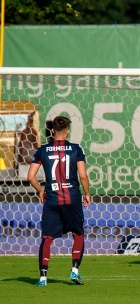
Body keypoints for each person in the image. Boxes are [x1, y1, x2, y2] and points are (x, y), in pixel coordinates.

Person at [28, 116, 91, 286]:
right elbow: (83, 175)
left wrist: (41, 190)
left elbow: (30, 177)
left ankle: (42, 278)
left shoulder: (42, 150)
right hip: (72, 198)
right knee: (78, 233)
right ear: (68, 130)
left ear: (52, 131)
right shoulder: (76, 149)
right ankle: (75, 271)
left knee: (47, 238)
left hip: (52, 200)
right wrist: (87, 193)